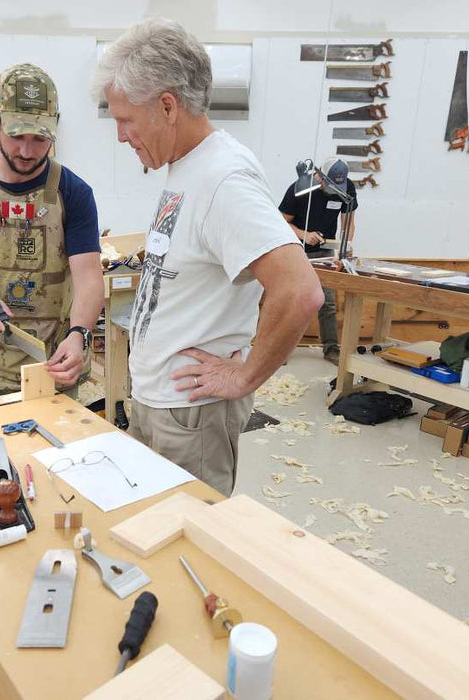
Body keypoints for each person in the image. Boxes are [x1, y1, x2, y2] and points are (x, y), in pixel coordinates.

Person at [93, 18, 324, 497]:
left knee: (188, 541)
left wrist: (244, 374)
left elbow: (300, 291)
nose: (120, 136)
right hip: (163, 403)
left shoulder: (223, 180)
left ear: (167, 106)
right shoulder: (188, 168)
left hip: (191, 416)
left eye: (125, 120)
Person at [0, 63, 104, 399]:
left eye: (40, 139)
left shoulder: (74, 193)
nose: (27, 152)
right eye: (16, 137)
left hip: (54, 363)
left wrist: (79, 334)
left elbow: (88, 276)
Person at [278, 157, 358, 365]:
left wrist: (345, 248)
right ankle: (281, 350)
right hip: (296, 250)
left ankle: (331, 348)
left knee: (327, 302)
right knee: (293, 301)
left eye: (338, 185)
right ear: (320, 176)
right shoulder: (300, 189)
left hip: (325, 253)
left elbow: (349, 223)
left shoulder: (346, 189)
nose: (335, 189)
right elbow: (280, 222)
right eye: (331, 184)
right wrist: (304, 234)